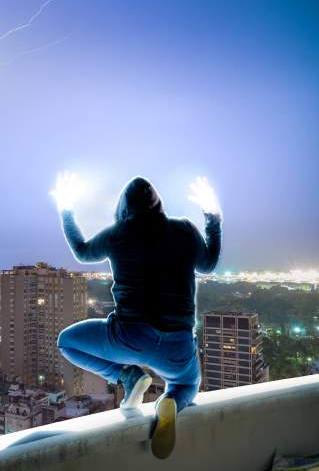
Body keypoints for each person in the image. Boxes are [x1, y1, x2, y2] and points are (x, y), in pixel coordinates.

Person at [50, 174, 222, 459]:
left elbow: (81, 251)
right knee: (187, 384)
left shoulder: (118, 234)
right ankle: (171, 403)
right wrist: (212, 216)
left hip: (129, 336)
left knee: (66, 342)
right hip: (177, 342)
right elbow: (209, 263)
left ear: (124, 209)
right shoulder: (184, 231)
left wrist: (66, 210)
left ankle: (126, 375)